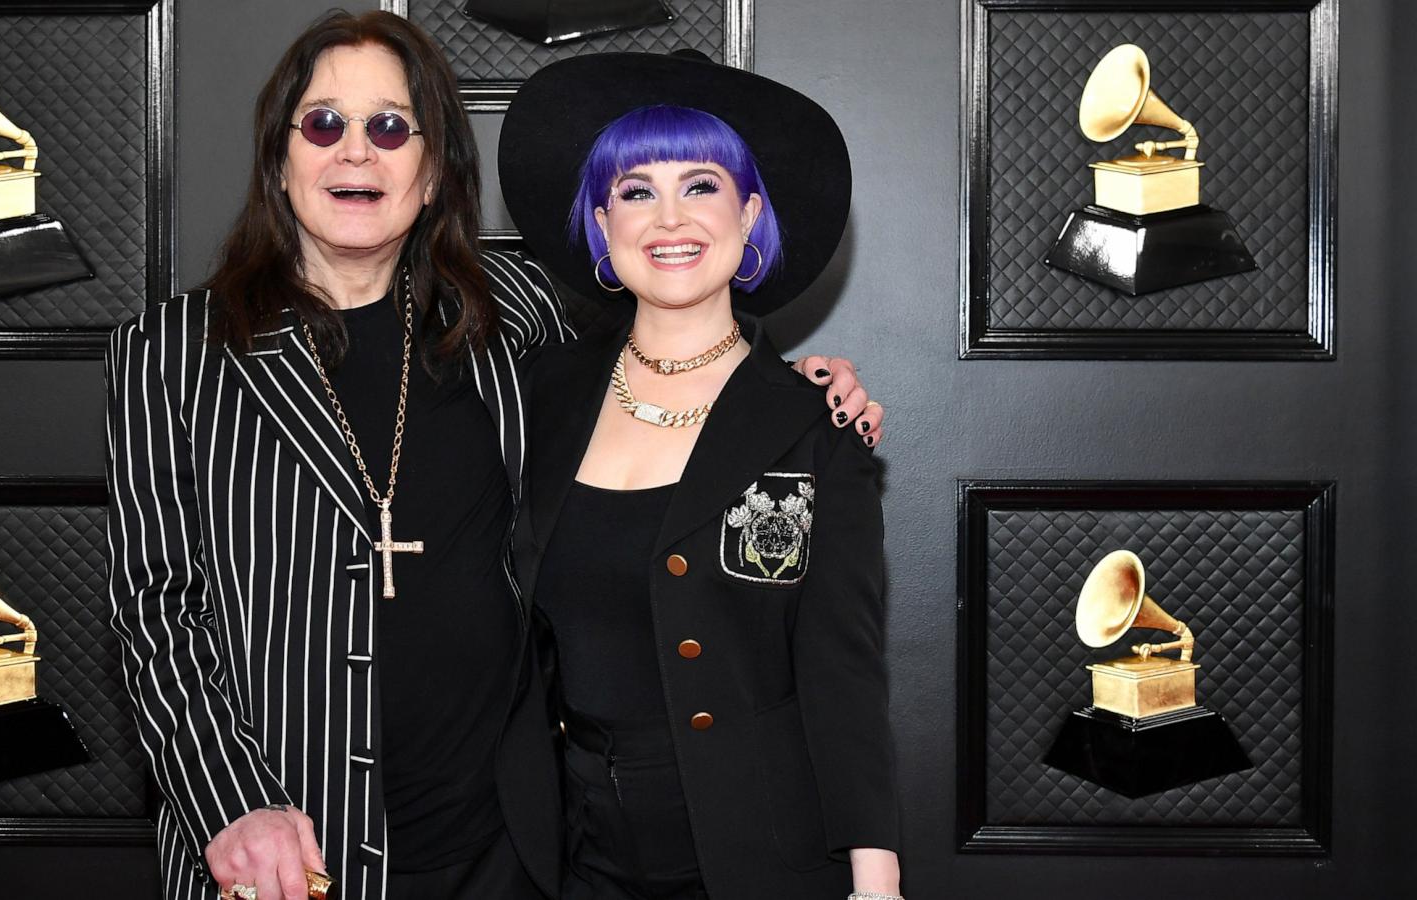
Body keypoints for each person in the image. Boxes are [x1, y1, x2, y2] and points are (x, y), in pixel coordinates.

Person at [106, 11, 879, 900]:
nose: (357, 153)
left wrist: (799, 386)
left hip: (508, 845)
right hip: (286, 848)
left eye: (391, 127)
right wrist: (231, 805)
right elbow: (156, 609)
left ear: (432, 170)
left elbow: (673, 314)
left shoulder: (508, 312)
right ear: (282, 162)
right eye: (324, 124)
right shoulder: (171, 351)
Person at [500, 53, 903, 900]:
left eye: (702, 185)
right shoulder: (534, 398)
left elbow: (844, 677)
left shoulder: (817, 425)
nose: (668, 218)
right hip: (567, 856)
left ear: (752, 214)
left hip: (755, 854)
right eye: (636, 191)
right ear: (601, 224)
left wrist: (876, 883)